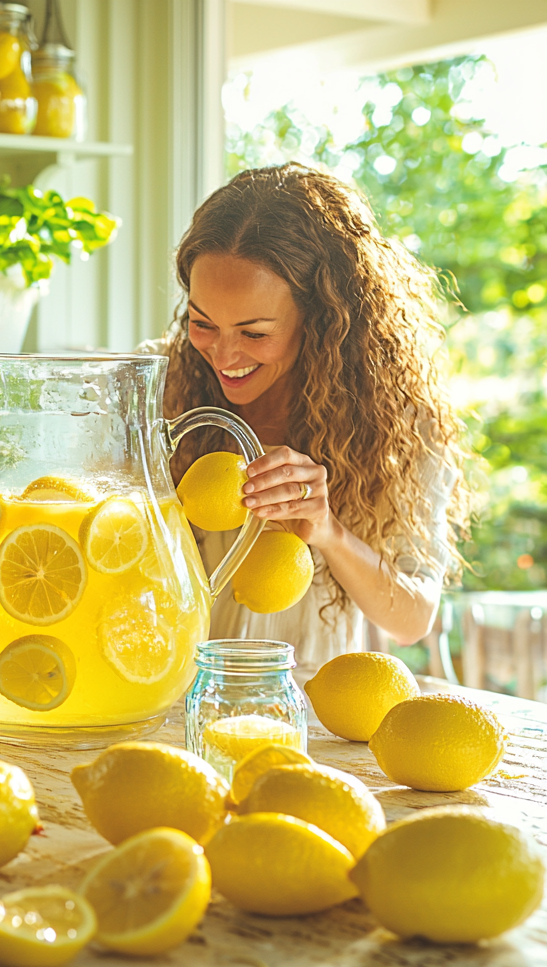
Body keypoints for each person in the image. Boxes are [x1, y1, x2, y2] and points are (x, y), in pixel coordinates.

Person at [144, 164, 472, 683]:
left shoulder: (400, 425)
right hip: (165, 696)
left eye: (253, 333)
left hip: (313, 712)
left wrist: (329, 532)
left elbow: (411, 618)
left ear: (320, 320)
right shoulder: (159, 391)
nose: (223, 355)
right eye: (202, 323)